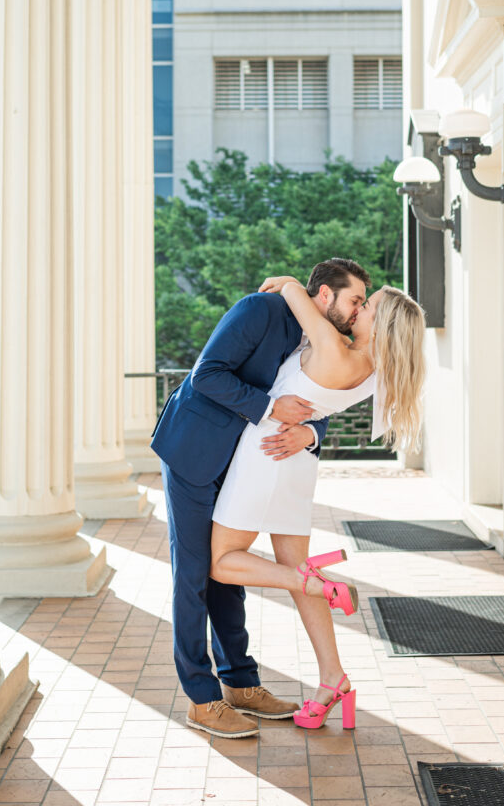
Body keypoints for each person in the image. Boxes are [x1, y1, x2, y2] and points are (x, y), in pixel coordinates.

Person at [150, 258, 371, 738]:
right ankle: (201, 699)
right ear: (326, 294)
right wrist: (270, 408)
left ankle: (240, 685)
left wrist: (309, 432)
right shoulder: (259, 310)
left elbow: (317, 398)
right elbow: (206, 374)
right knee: (194, 574)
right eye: (354, 300)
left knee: (231, 574)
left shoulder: (321, 338)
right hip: (194, 450)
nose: (358, 312)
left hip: (242, 463)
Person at [210, 275, 426, 730]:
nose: (359, 309)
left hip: (264, 456)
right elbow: (320, 408)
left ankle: (314, 584)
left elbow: (294, 292)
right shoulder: (372, 371)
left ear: (381, 323)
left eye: (368, 306)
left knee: (221, 562)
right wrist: (310, 432)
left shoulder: (333, 348)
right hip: (297, 461)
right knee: (296, 567)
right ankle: (334, 680)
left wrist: (290, 280)